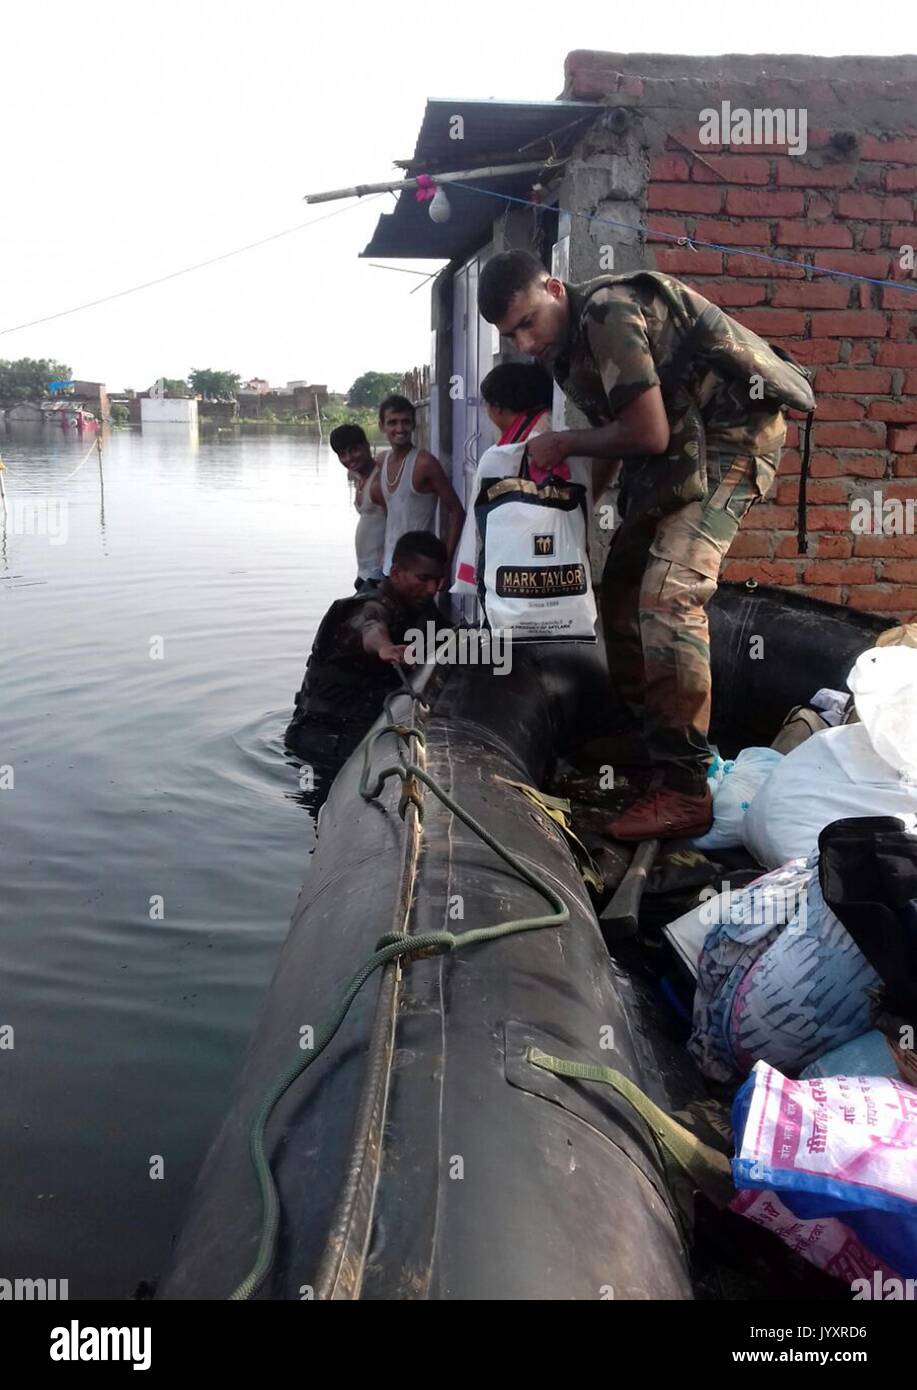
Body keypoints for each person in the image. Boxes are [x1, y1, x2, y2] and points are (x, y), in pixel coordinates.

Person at [478, 250, 810, 841]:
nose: (525, 342)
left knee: (669, 596)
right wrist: (579, 522)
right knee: (621, 587)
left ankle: (687, 788)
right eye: (511, 335)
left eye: (527, 322)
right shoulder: (562, 351)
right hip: (679, 444)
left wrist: (561, 443)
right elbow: (616, 436)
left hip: (733, 437)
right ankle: (651, 739)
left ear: (554, 288)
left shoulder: (607, 310)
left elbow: (646, 431)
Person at [285, 531, 447, 810]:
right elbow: (370, 626)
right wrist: (385, 648)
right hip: (315, 748)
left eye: (437, 581)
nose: (432, 589)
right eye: (423, 579)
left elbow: (450, 638)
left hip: (360, 741)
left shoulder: (421, 612)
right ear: (396, 572)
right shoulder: (361, 608)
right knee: (313, 802)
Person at [370, 394, 465, 581]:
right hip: (389, 566)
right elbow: (388, 510)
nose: (400, 429)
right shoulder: (382, 460)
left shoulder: (424, 463)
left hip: (418, 572)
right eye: (392, 423)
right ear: (382, 426)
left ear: (414, 425)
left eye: (406, 422)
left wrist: (445, 564)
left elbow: (456, 512)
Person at [329, 423, 385, 590]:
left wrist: (388, 559)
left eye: (354, 450)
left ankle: (431, 619)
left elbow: (398, 523)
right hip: (365, 570)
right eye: (342, 455)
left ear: (366, 446)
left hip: (380, 572)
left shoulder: (378, 482)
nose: (349, 459)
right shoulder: (360, 479)